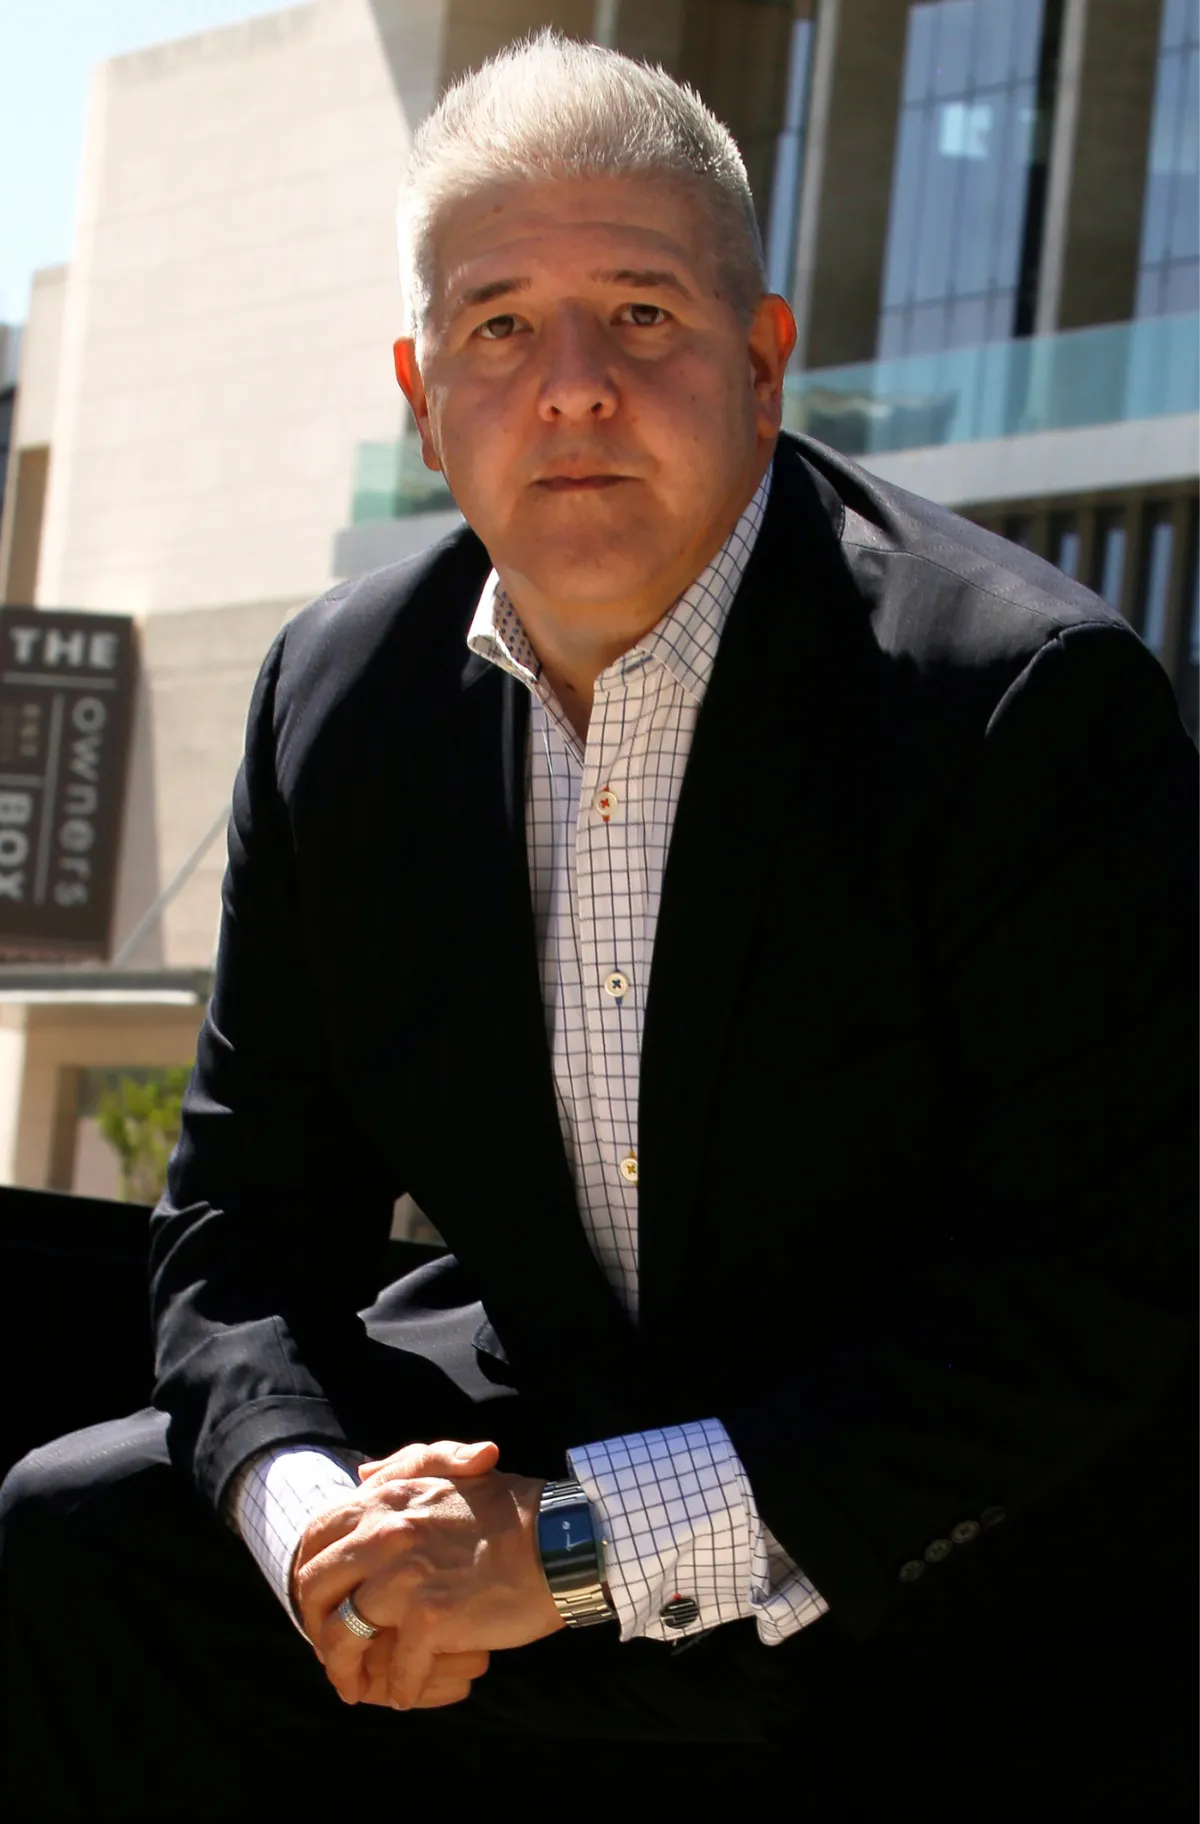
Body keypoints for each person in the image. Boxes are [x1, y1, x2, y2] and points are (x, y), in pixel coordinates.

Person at [1, 30, 1195, 1815]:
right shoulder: (338, 700)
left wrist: (563, 1554)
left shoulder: (1020, 702)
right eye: (499, 326)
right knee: (81, 1537)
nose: (571, 388)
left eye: (640, 314)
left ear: (762, 362)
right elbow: (240, 1228)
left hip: (928, 1538)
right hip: (544, 1425)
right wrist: (323, 1531)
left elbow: (1089, 1298)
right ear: (423, 397)